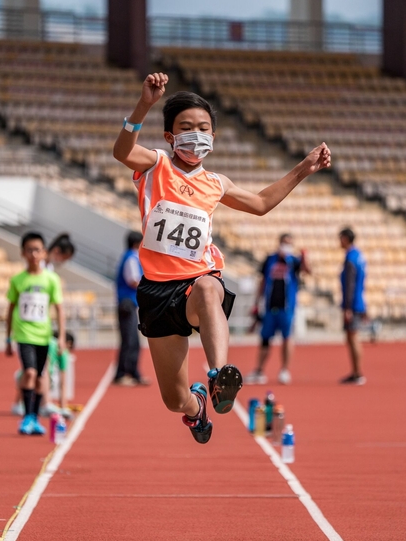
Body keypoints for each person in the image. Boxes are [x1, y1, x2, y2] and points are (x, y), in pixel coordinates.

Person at [112, 72, 331, 444]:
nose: (196, 134)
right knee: (174, 399)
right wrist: (145, 104)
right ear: (170, 136)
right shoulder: (155, 165)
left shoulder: (217, 183)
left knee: (209, 288)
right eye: (186, 127)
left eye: (203, 127)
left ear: (212, 137)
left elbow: (261, 204)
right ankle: (197, 408)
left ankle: (218, 376)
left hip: (197, 279)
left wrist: (303, 169)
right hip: (156, 291)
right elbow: (121, 151)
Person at [6, 232, 65, 435]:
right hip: (23, 335)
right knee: (29, 373)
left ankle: (34, 418)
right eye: (29, 250)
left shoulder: (51, 280)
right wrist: (7, 337)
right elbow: (10, 308)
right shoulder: (17, 280)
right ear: (23, 253)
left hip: (44, 335)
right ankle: (27, 417)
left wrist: (62, 337)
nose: (33, 254)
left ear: (44, 253)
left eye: (37, 250)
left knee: (40, 377)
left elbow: (59, 309)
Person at [245, 233, 310, 385]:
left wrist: (304, 256)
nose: (286, 246)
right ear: (279, 243)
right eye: (284, 242)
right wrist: (257, 303)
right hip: (269, 307)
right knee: (265, 339)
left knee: (287, 338)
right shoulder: (270, 259)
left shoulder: (293, 261)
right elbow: (262, 281)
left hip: (287, 308)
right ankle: (259, 371)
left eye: (289, 243)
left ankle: (284, 370)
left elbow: (308, 271)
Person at [114, 230, 150, 386]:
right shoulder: (131, 258)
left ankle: (132, 372)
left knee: (132, 341)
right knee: (129, 340)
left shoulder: (130, 257)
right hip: (127, 304)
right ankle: (122, 373)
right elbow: (133, 280)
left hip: (129, 303)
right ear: (137, 243)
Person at [339, 227, 367, 385]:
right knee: (352, 336)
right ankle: (356, 371)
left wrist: (347, 308)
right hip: (358, 300)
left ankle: (358, 372)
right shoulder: (359, 256)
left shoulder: (350, 257)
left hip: (353, 303)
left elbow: (350, 284)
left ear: (345, 239)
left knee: (353, 337)